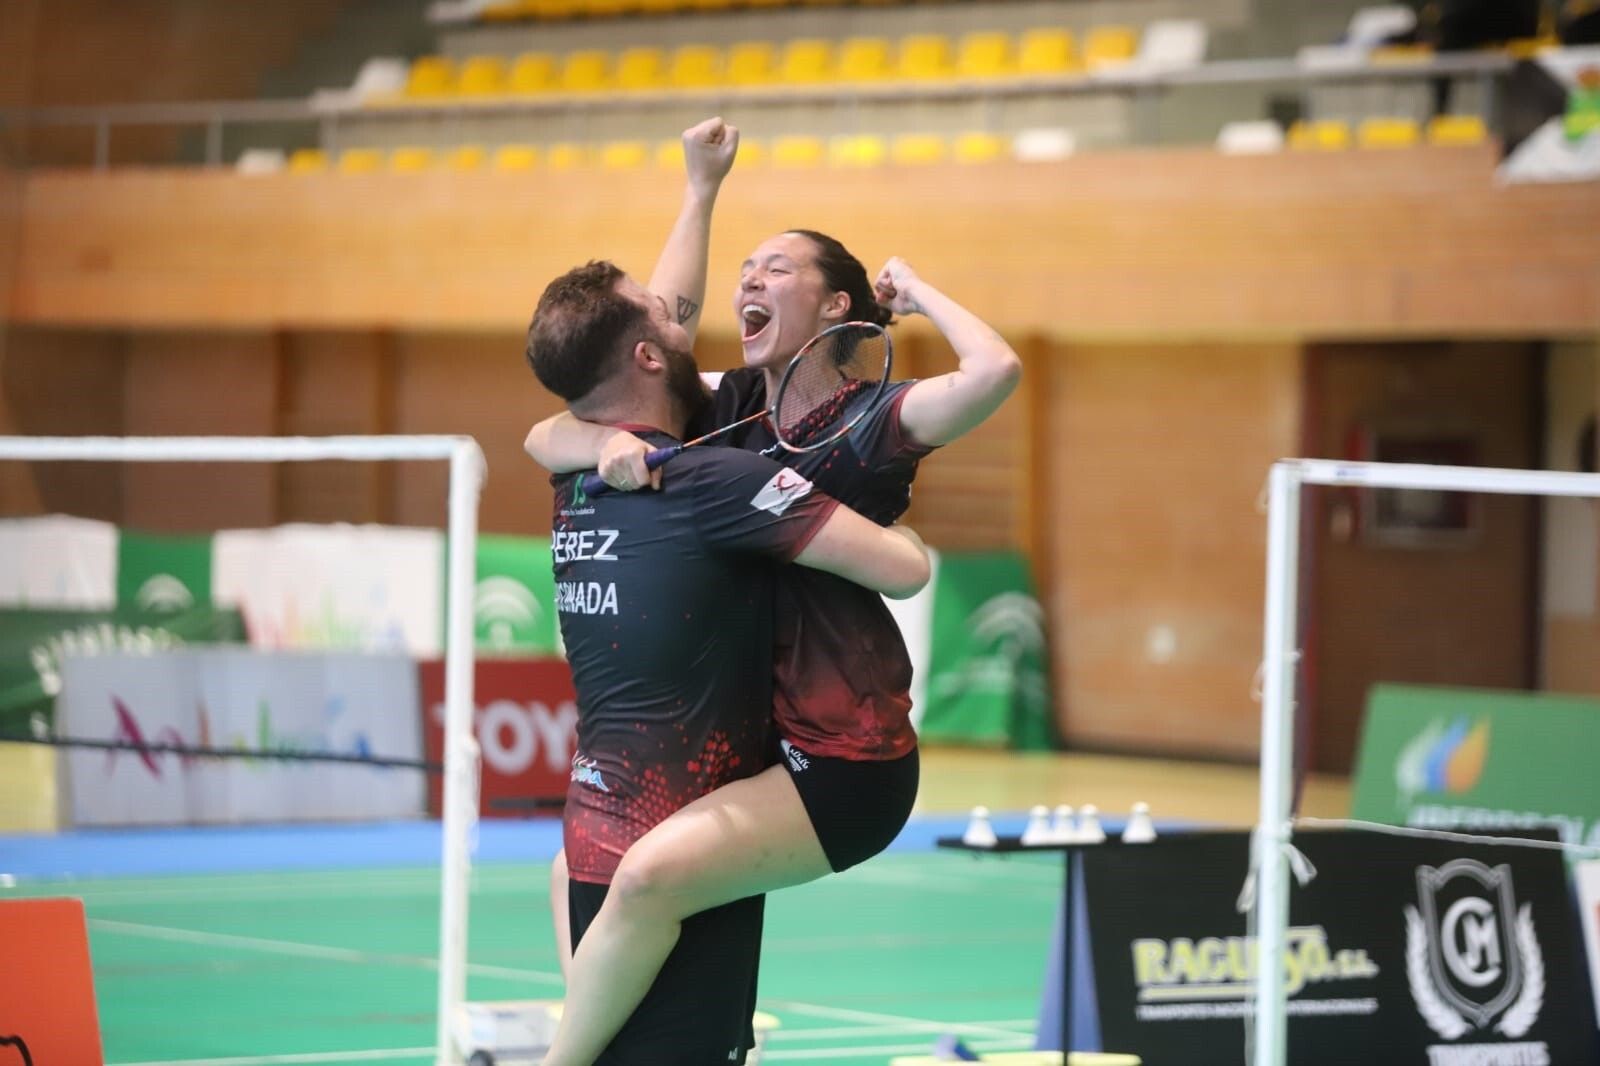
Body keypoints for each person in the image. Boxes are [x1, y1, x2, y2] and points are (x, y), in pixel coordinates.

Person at [525, 117, 1022, 1066]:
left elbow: (995, 371)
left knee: (641, 883)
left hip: (844, 750)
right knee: (571, 873)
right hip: (763, 734)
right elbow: (630, 358)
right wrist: (700, 190)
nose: (748, 279)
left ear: (837, 307)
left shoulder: (874, 419)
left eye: (776, 268)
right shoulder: (732, 410)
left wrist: (913, 288)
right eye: (744, 268)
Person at [526, 256, 931, 1065]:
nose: (683, 312)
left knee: (641, 899)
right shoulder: (588, 466)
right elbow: (553, 426)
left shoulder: (637, 474)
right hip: (621, 819)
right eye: (659, 312)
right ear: (646, 356)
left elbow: (904, 569)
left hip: (786, 777)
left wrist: (700, 185)